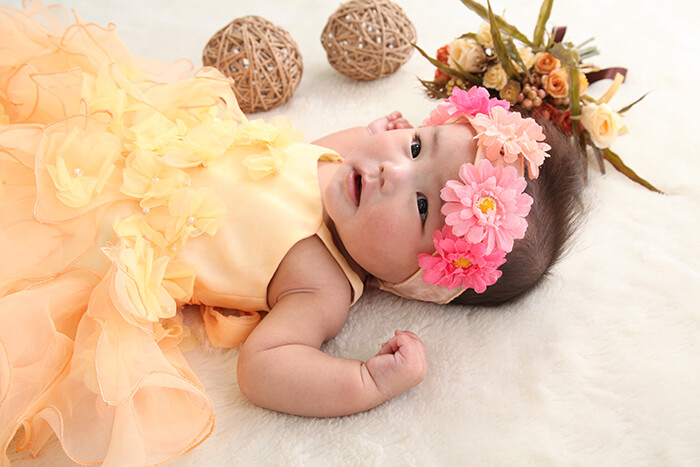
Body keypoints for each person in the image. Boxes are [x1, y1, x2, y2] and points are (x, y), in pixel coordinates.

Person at [0, 2, 585, 465]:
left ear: (416, 278)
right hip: (135, 147)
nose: (390, 169)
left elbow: (264, 368)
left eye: (422, 205)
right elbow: (307, 154)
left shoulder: (321, 283)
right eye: (414, 146)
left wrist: (366, 381)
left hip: (112, 231)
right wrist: (369, 131)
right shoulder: (343, 166)